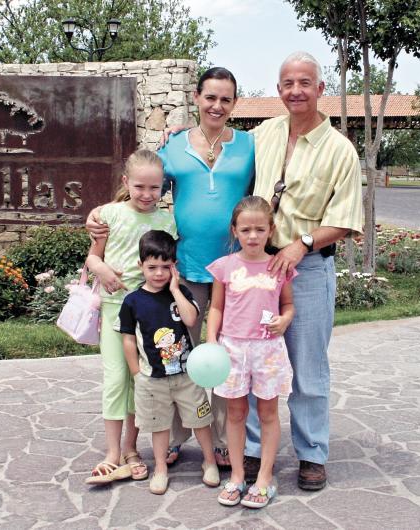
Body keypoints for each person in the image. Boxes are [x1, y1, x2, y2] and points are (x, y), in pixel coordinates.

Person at [86, 67, 256, 472]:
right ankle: (178, 438)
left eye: (226, 99)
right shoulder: (175, 145)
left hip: (234, 270)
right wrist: (99, 216)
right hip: (187, 270)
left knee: (224, 357)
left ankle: (218, 441)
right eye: (210, 97)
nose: (217, 105)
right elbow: (140, 188)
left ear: (234, 104)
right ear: (197, 98)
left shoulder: (250, 144)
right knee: (180, 354)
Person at [248, 51, 363, 490]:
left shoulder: (340, 150)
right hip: (259, 262)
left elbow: (347, 218)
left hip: (309, 267)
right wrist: (180, 133)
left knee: (308, 367)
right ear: (278, 91)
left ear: (320, 88)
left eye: (305, 82)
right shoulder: (265, 133)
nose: (296, 90)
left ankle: (312, 453)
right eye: (288, 83)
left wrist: (304, 243)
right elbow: (219, 144)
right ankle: (255, 450)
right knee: (253, 358)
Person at [84, 149, 176, 485]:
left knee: (142, 379)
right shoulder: (108, 215)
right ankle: (111, 453)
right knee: (115, 379)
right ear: (126, 182)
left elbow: (168, 263)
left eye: (155, 188)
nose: (147, 195)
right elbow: (92, 258)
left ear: (163, 187)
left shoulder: (167, 221)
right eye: (139, 187)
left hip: (149, 314)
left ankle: (131, 448)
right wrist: (104, 269)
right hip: (114, 309)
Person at [206, 196, 296, 508]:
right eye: (246, 230)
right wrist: (211, 340)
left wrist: (284, 320)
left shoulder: (278, 266)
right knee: (235, 413)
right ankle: (237, 476)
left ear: (271, 230)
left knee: (268, 413)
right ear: (235, 231)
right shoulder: (225, 267)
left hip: (267, 349)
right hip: (232, 347)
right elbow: (216, 307)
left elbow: (288, 304)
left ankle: (264, 478)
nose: (253, 236)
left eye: (260, 229)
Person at [119, 229, 220, 495]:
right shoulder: (132, 301)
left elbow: (190, 320)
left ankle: (209, 462)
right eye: (152, 267)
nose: (159, 273)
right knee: (159, 425)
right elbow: (128, 340)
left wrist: (175, 289)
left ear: (174, 267)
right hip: (152, 379)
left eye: (166, 266)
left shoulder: (182, 292)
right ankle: (161, 468)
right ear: (140, 265)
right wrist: (136, 373)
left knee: (200, 420)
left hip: (187, 375)